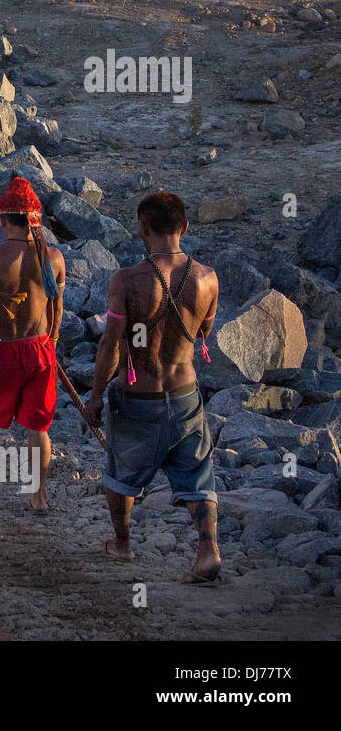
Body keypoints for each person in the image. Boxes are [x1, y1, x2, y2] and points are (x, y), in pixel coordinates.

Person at [84, 191, 221, 584]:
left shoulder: (126, 280)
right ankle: (208, 550)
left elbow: (111, 345)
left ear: (143, 229)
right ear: (185, 228)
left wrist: (95, 397)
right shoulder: (208, 277)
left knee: (122, 474)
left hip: (138, 398)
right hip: (185, 397)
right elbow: (203, 330)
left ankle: (123, 543)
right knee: (196, 475)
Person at [0, 176, 65, 512]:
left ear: (3, 220)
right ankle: (39, 495)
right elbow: (56, 308)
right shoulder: (53, 258)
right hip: (39, 349)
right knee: (38, 426)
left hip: (0, 346)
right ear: (35, 220)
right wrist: (52, 340)